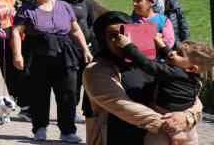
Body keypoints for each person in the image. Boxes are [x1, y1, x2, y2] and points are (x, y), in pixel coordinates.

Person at [83, 11, 203, 145]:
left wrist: (188, 116)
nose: (120, 40)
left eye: (124, 33)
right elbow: (124, 106)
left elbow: (186, 93)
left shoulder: (146, 63)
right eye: (113, 36)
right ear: (102, 40)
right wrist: (171, 125)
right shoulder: (96, 70)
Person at [11, 0, 93, 143]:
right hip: (38, 54)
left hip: (65, 54)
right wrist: (17, 55)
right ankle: (40, 128)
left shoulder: (64, 6)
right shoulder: (26, 8)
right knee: (39, 93)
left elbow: (75, 30)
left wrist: (85, 48)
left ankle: (68, 131)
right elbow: (16, 32)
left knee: (68, 93)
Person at [114, 33, 213, 144]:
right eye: (176, 50)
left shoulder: (175, 72)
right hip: (185, 123)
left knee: (153, 140)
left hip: (165, 116)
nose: (173, 52)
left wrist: (128, 46)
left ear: (191, 68)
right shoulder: (193, 75)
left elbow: (148, 65)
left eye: (179, 53)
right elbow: (172, 56)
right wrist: (161, 44)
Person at [54, 0, 100, 123]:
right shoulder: (57, 2)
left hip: (87, 48)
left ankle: (87, 110)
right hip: (67, 49)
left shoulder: (85, 1)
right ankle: (70, 112)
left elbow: (91, 23)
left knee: (87, 81)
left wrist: (90, 40)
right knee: (70, 84)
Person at [0, 0, 29, 116]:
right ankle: (22, 104)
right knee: (10, 73)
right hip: (1, 38)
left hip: (16, 37)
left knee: (21, 70)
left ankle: (24, 102)